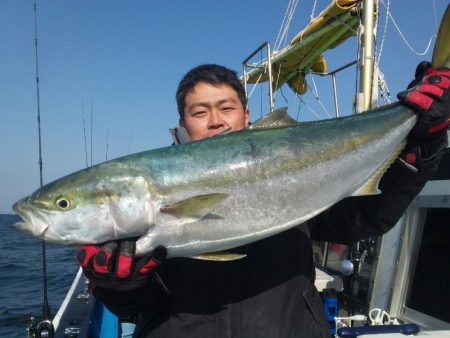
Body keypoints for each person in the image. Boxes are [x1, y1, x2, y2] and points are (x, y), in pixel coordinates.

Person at [77, 63, 449, 337]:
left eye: (226, 108)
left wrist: (423, 142)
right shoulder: (136, 198)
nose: (215, 121)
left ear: (246, 116)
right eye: (199, 112)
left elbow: (368, 218)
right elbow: (136, 307)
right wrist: (116, 286)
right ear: (182, 123)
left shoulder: (295, 170)